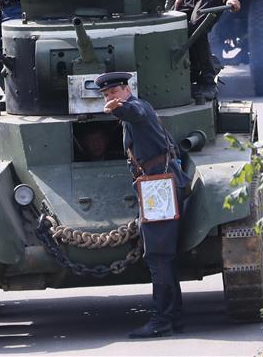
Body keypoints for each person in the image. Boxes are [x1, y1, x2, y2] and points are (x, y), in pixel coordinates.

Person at [96, 71, 189, 338]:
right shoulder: (139, 110)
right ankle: (174, 317)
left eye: (113, 92)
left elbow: (134, 111)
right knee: (165, 257)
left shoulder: (136, 108)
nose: (109, 97)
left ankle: (161, 321)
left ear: (126, 89)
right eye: (105, 95)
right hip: (158, 183)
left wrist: (118, 107)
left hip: (158, 186)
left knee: (158, 256)